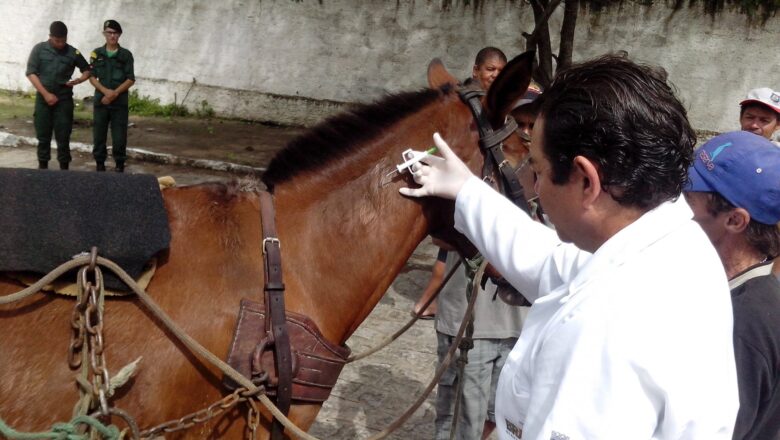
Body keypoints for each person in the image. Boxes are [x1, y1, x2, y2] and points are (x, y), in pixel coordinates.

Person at [400, 55, 739, 439]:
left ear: (587, 182)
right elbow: (551, 263)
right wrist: (467, 191)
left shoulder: (602, 329)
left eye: (540, 171)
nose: (536, 187)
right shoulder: (671, 244)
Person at [683, 130, 780, 440]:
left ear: (735, 221)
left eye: (689, 196)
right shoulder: (728, 289)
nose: (678, 206)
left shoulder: (743, 323)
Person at [25, 21, 91, 170]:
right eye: (57, 41)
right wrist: (46, 94)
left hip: (63, 100)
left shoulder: (73, 52)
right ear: (50, 37)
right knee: (43, 137)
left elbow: (87, 69)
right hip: (43, 100)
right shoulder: (39, 49)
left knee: (63, 137)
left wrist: (79, 80)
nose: (61, 44)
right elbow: (31, 73)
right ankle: (43, 169)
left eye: (63, 40)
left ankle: (64, 171)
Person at [89, 19, 135, 172]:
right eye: (109, 32)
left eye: (115, 33)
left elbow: (130, 79)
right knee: (99, 135)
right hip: (101, 101)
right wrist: (105, 92)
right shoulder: (97, 53)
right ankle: (100, 165)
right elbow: (92, 76)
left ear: (119, 35)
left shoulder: (126, 55)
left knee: (119, 136)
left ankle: (119, 165)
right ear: (104, 34)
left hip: (119, 102)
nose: (112, 36)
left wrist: (114, 93)